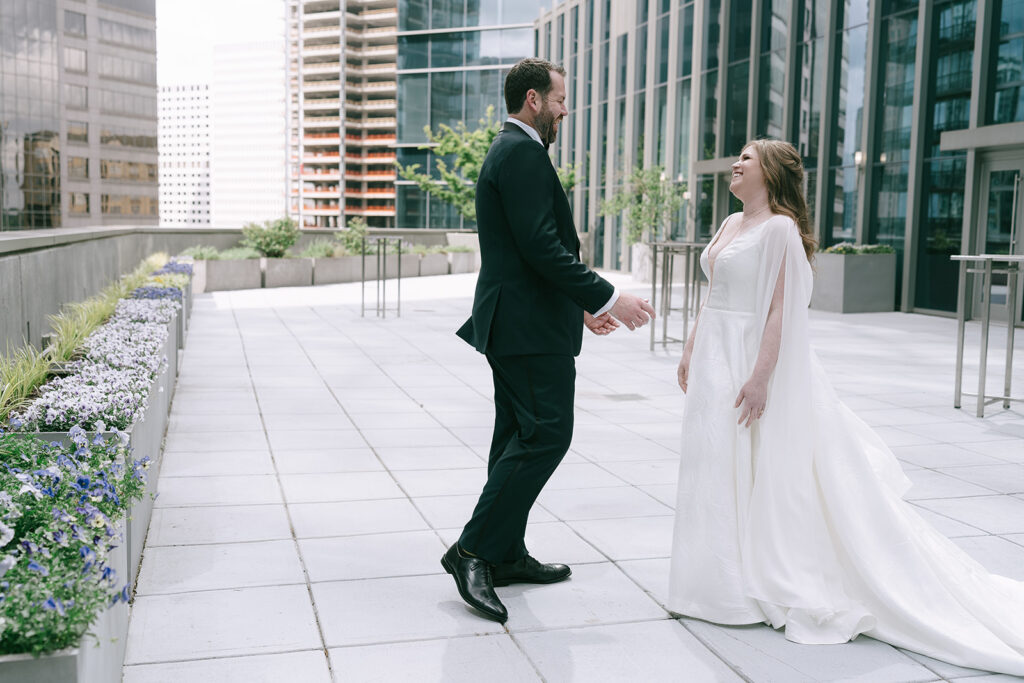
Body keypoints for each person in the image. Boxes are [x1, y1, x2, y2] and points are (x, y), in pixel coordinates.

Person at [668, 138, 1024, 675]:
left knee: (754, 459)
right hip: (715, 354)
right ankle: (717, 578)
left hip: (748, 356)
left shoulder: (780, 229)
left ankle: (750, 582)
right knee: (715, 460)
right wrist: (693, 345)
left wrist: (762, 376)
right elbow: (712, 291)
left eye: (747, 158)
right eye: (737, 157)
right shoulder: (727, 224)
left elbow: (781, 310)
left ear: (770, 174)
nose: (736, 164)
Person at [442, 58, 656, 623]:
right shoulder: (521, 153)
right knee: (546, 436)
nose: (566, 109)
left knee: (516, 435)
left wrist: (577, 307)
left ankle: (506, 553)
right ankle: (472, 551)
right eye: (560, 100)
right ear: (534, 100)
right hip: (526, 330)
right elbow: (541, 247)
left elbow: (525, 252)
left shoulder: (514, 152)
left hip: (522, 321)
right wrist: (608, 297)